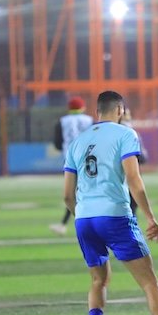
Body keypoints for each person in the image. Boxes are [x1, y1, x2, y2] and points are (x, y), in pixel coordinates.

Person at [63, 90, 158, 315]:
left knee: (99, 280)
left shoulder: (78, 141)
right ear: (120, 110)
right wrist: (150, 216)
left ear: (97, 112)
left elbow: (67, 196)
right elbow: (134, 178)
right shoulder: (126, 134)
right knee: (149, 282)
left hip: (84, 220)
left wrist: (82, 215)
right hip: (115, 216)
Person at [50, 96, 93, 235]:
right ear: (82, 107)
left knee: (72, 195)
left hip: (70, 161)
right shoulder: (90, 120)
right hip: (89, 159)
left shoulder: (62, 121)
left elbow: (57, 144)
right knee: (88, 192)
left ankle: (73, 224)